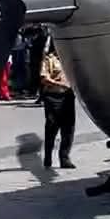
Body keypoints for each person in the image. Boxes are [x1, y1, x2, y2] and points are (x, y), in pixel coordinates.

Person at [39, 38, 76, 168]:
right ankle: (48, 156)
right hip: (53, 97)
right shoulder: (49, 59)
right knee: (52, 128)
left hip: (68, 97)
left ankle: (64, 158)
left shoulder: (69, 59)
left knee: (68, 129)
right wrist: (61, 84)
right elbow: (44, 78)